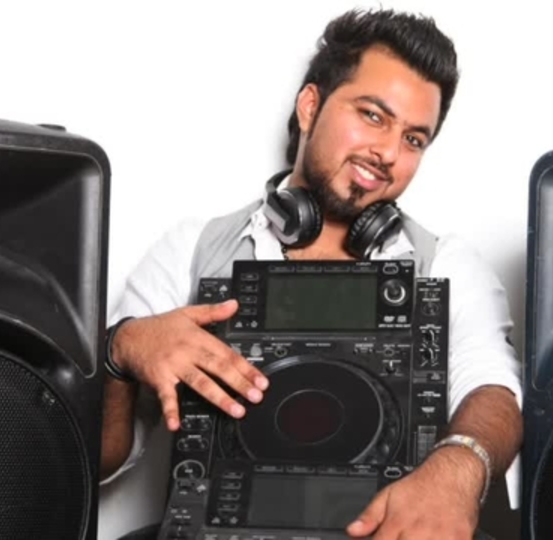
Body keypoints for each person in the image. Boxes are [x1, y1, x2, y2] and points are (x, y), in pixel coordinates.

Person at [101, 8, 523, 540]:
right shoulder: (191, 249)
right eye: (373, 115)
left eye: (414, 139)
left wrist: (458, 469)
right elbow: (99, 460)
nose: (388, 152)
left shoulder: (447, 264)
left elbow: (493, 391)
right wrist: (121, 349)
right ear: (309, 106)